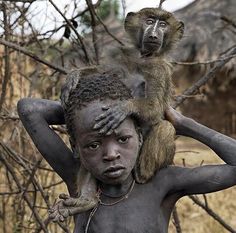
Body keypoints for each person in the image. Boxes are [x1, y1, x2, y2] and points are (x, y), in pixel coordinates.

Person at [17, 68, 236, 233]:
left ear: (140, 137)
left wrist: (182, 123)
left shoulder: (163, 183)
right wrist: (80, 114)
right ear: (76, 148)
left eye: (122, 139)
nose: (111, 154)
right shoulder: (79, 182)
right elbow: (28, 110)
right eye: (93, 145)